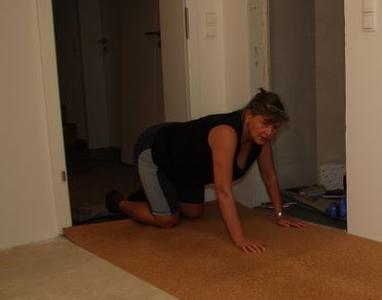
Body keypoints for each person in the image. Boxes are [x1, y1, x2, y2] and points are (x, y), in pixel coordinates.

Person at [106, 88, 306, 253]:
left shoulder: (261, 139)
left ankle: (159, 193)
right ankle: (119, 202)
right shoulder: (226, 134)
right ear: (248, 116)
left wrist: (280, 215)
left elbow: (269, 175)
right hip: (156, 150)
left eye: (275, 127)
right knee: (167, 220)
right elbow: (223, 191)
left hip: (185, 166)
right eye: (265, 123)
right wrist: (239, 238)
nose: (269, 132)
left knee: (193, 212)